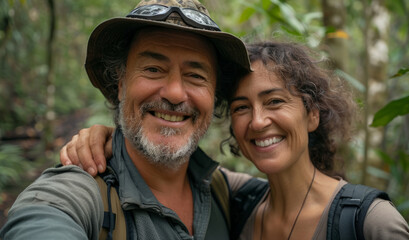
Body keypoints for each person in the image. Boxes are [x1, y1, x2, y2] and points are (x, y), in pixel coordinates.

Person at [61, 41, 409, 239]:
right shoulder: (237, 200)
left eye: (275, 101)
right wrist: (112, 136)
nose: (259, 121)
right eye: (242, 107)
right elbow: (162, 164)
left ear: (312, 114)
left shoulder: (368, 222)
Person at [0, 0, 257, 239]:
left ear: (213, 95)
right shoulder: (77, 194)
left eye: (196, 75)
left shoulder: (224, 191)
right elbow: (41, 218)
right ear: (121, 83)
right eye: (153, 69)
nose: (176, 93)